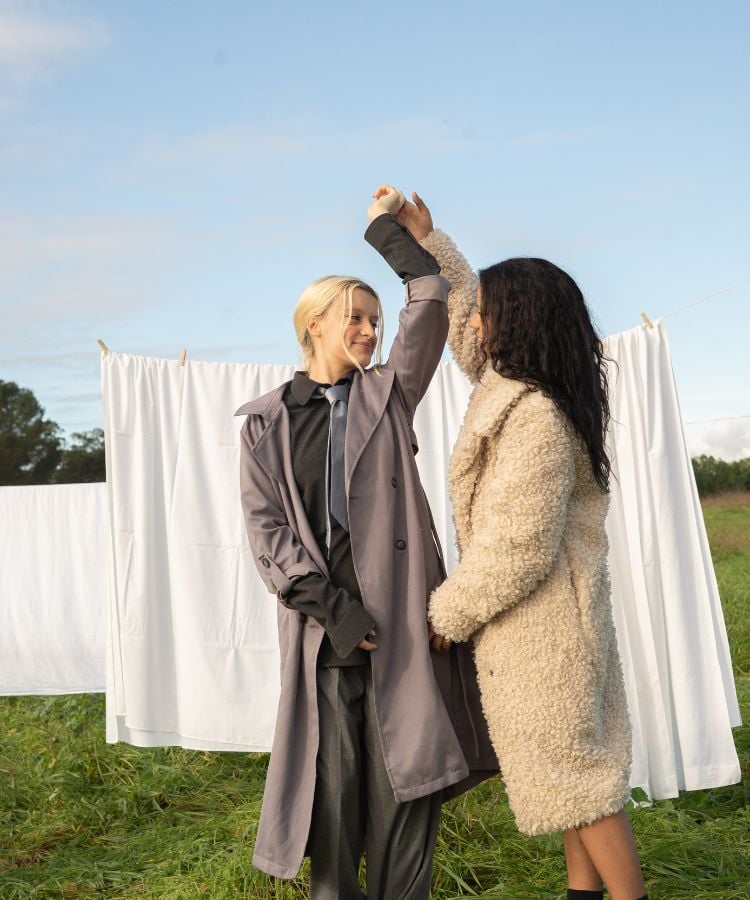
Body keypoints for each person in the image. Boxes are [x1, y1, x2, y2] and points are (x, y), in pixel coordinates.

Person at [235, 186, 497, 899]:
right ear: (313, 325)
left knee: (404, 794)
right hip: (328, 636)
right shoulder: (265, 425)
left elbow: (429, 297)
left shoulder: (390, 393)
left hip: (405, 627)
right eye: (354, 318)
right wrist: (328, 604)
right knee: (333, 800)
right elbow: (267, 529)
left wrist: (386, 231)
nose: (369, 332)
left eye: (375, 322)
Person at [389, 189, 648, 900]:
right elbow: (468, 336)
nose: (472, 323)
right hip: (542, 625)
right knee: (570, 783)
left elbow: (517, 548)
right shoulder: (515, 385)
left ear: (520, 322)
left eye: (484, 311)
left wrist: (445, 615)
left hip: (545, 631)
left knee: (581, 785)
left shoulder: (533, 417)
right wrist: (430, 241)